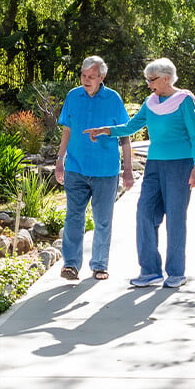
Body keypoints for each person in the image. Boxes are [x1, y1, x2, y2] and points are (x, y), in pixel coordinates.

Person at [85, 57, 195, 288]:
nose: (149, 84)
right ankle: (150, 271)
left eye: (152, 80)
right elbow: (131, 126)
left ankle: (176, 273)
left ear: (166, 78)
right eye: (147, 80)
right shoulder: (150, 103)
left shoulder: (184, 101)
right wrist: (106, 130)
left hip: (180, 165)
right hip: (154, 166)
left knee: (176, 219)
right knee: (144, 214)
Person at [56, 55, 134, 281]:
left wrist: (127, 170)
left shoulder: (113, 99)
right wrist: (60, 159)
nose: (86, 80)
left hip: (105, 171)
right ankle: (70, 265)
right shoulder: (73, 96)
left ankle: (100, 265)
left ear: (102, 77)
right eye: (83, 75)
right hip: (76, 168)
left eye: (91, 76)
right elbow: (67, 131)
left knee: (102, 220)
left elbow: (126, 135)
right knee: (73, 217)